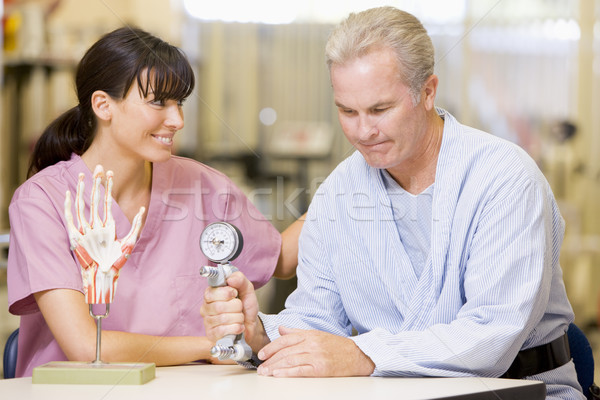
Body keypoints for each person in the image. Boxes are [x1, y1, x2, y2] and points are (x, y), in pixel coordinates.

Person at [200, 7, 584, 399]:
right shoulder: (338, 193)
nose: (363, 131)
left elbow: (491, 333)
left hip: (519, 389)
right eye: (347, 111)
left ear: (427, 91)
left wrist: (362, 354)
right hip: (390, 391)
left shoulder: (503, 178)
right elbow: (317, 320)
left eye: (380, 109)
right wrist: (257, 332)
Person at [7, 26, 296, 378]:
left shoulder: (202, 185)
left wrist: (350, 183)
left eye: (180, 103)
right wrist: (212, 346)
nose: (177, 120)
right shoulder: (43, 201)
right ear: (103, 105)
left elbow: (279, 257)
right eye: (158, 101)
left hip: (189, 390)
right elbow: (86, 347)